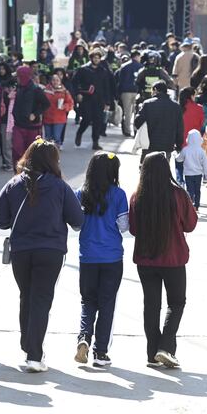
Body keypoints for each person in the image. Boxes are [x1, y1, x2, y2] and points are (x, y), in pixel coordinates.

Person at [0, 139, 84, 372]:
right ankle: (34, 353)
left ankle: (28, 345)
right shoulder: (60, 187)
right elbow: (77, 221)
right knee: (41, 300)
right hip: (51, 251)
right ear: (53, 162)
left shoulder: (14, 184)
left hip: (21, 251)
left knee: (27, 296)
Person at [129, 152, 197, 368]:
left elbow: (133, 229)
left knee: (151, 305)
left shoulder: (137, 196)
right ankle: (165, 347)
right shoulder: (178, 194)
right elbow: (190, 225)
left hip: (146, 260)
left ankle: (152, 352)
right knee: (176, 303)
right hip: (174, 258)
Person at [74, 152, 128, 367]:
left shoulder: (81, 193)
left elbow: (76, 224)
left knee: (87, 300)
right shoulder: (119, 194)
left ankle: (84, 337)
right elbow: (124, 227)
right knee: (107, 303)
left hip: (87, 256)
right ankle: (100, 352)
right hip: (112, 256)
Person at [72, 49, 115, 150]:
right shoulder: (83, 69)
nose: (96, 59)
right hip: (86, 98)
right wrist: (78, 93)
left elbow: (106, 87)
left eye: (98, 58)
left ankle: (95, 142)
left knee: (98, 121)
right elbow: (74, 82)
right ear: (90, 58)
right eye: (94, 58)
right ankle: (79, 133)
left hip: (99, 100)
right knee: (86, 119)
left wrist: (107, 102)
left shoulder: (103, 71)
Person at [134, 81, 184, 161]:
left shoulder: (148, 104)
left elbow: (137, 123)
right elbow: (180, 128)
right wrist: (178, 145)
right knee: (163, 169)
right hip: (167, 146)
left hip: (149, 145)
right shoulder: (176, 106)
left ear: (155, 90)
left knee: (146, 170)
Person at [12, 66, 50, 166]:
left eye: (19, 77)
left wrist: (35, 114)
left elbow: (46, 104)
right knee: (17, 151)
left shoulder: (36, 90)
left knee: (32, 153)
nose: (17, 79)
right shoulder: (19, 88)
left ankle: (30, 175)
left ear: (24, 77)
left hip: (32, 127)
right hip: (18, 125)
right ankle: (18, 174)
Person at [176, 87, 204, 186]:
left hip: (180, 141)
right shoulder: (199, 108)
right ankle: (192, 189)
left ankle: (180, 182)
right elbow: (201, 125)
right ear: (191, 96)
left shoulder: (178, 108)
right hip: (194, 143)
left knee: (179, 164)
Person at [177, 130, 207, 210]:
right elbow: (205, 165)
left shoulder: (185, 149)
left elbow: (179, 159)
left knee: (189, 190)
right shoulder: (202, 151)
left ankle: (190, 204)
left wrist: (176, 155)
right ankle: (197, 205)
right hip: (198, 174)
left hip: (188, 174)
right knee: (197, 190)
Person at [114, 50, 142, 136]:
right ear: (137, 56)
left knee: (127, 112)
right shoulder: (141, 66)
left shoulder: (124, 66)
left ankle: (127, 131)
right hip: (136, 91)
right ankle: (135, 130)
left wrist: (118, 94)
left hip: (125, 91)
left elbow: (120, 81)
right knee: (136, 112)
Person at [42, 72, 74, 146]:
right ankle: (48, 154)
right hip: (47, 118)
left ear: (60, 81)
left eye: (57, 80)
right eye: (53, 80)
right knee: (48, 138)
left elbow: (70, 103)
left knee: (56, 137)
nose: (55, 82)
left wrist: (64, 106)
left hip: (59, 118)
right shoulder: (45, 90)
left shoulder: (64, 91)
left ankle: (55, 152)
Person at [0, 62, 16, 171]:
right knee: (2, 140)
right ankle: (5, 160)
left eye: (3, 69)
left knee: (10, 141)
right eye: (0, 69)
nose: (1, 71)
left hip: (12, 115)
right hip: (2, 116)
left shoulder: (13, 82)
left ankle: (10, 161)